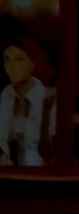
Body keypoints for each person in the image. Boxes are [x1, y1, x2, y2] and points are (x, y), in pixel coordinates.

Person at [1, 38, 56, 166]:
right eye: (7, 60)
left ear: (32, 64)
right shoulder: (5, 95)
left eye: (19, 59)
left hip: (39, 171)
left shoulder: (48, 99)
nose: (12, 66)